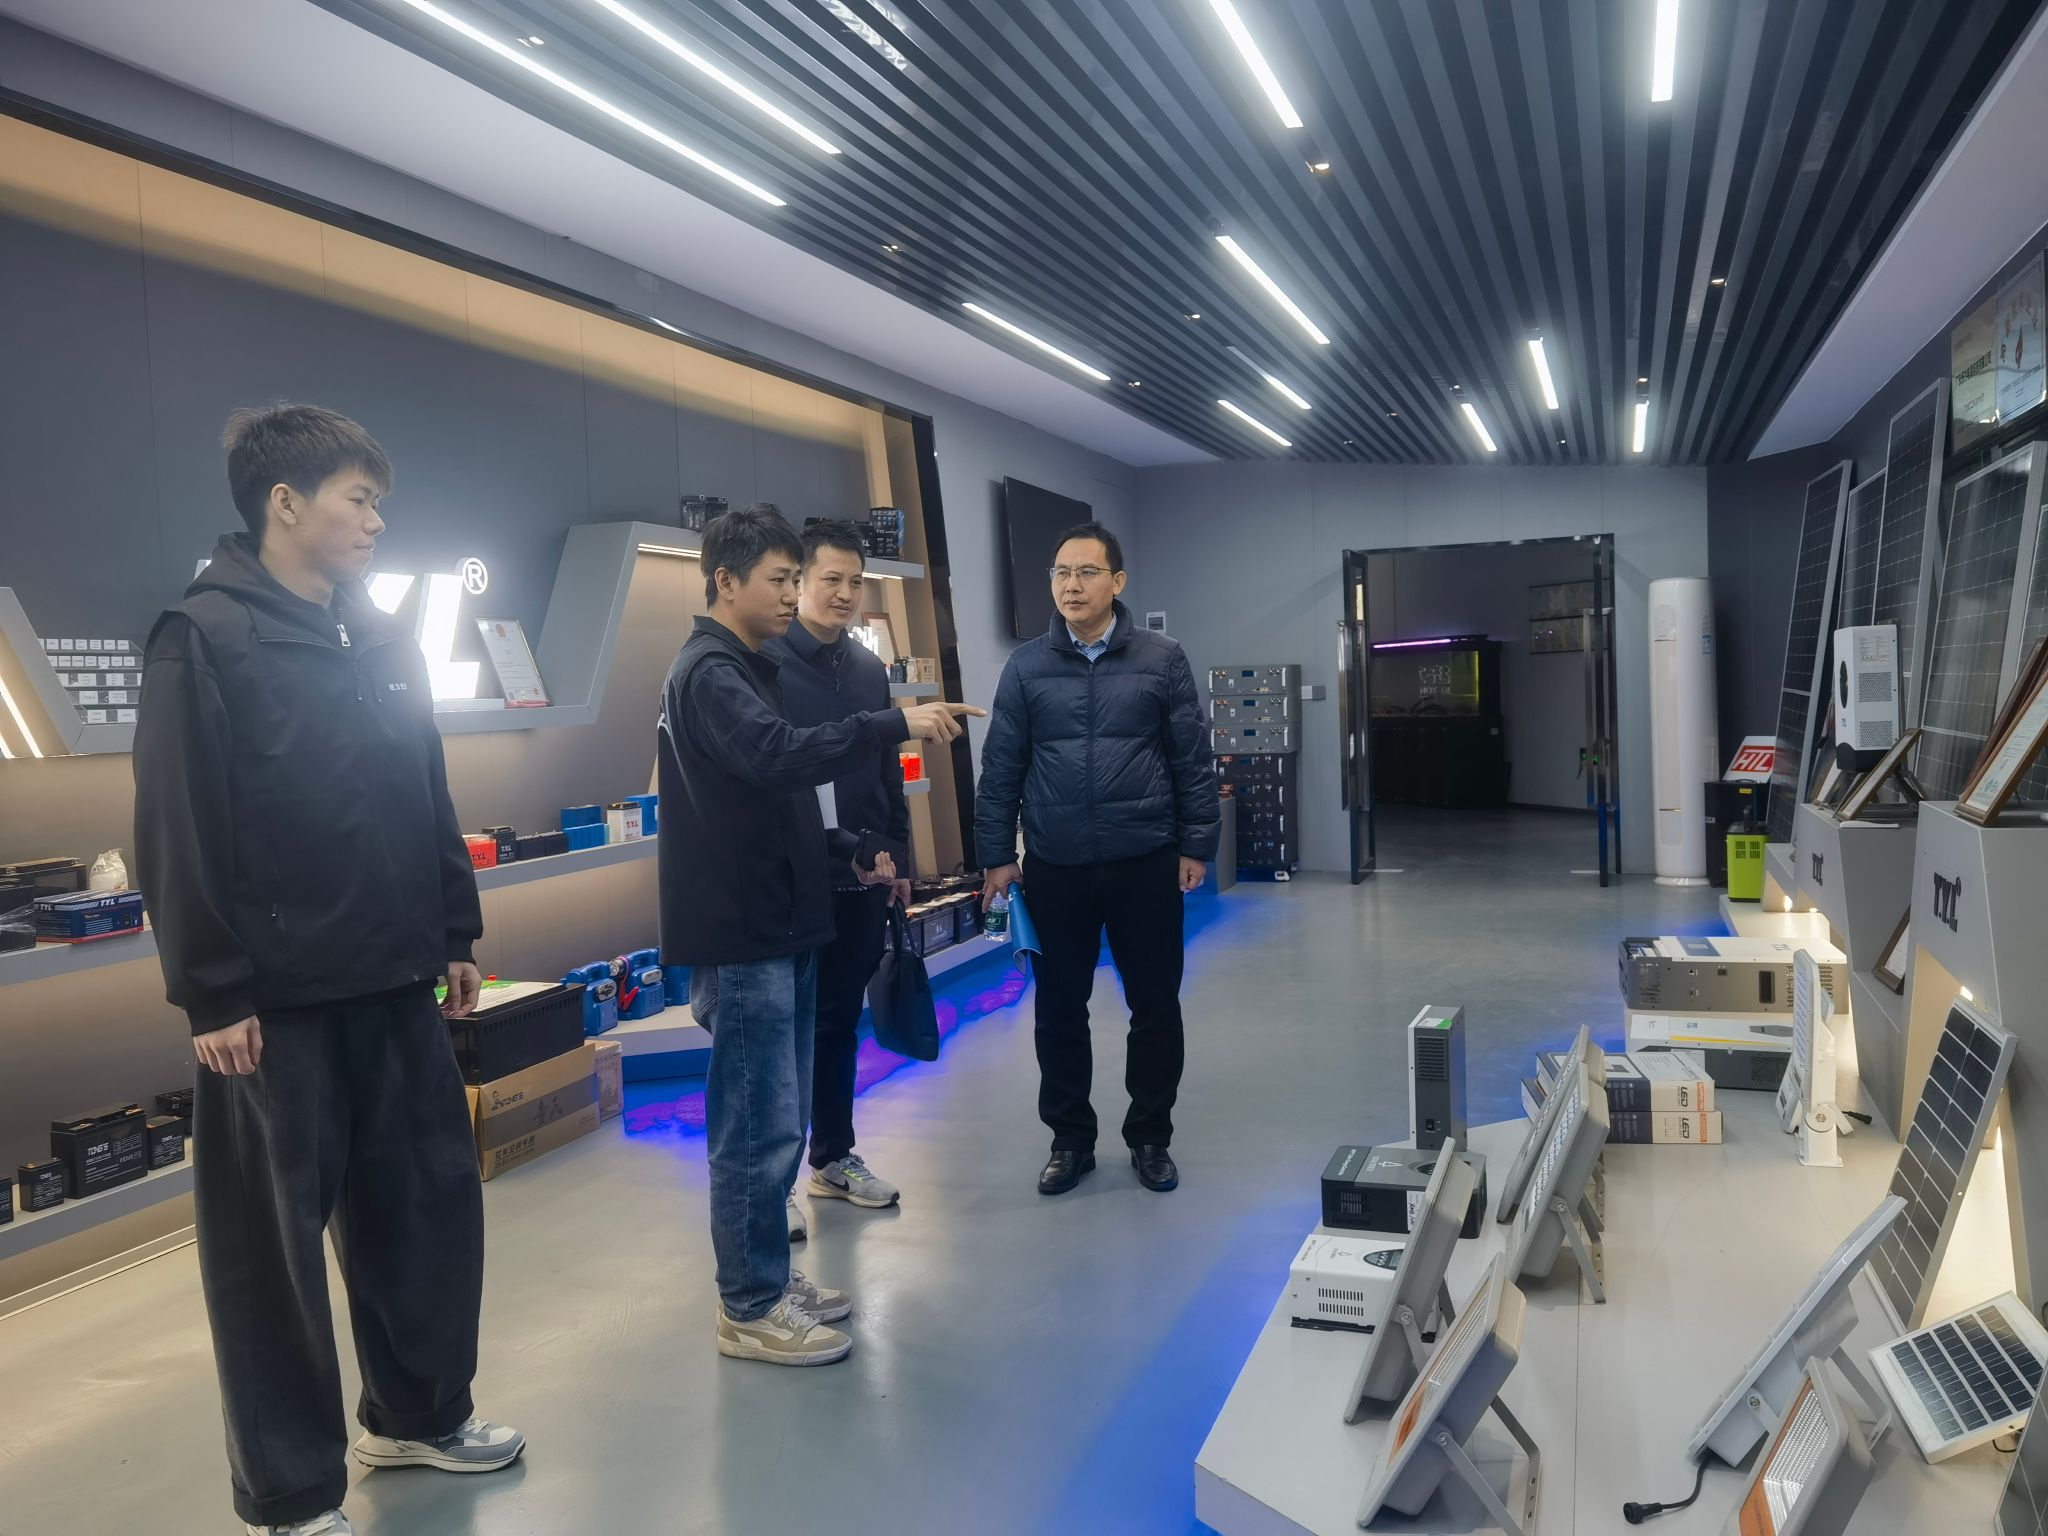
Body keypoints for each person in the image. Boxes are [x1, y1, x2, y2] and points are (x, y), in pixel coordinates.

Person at [132, 404, 522, 1536]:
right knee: (271, 1263)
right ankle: (291, 1495)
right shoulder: (202, 636)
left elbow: (424, 787)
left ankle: (417, 1415)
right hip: (274, 1007)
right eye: (359, 499)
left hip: (396, 979)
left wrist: (453, 930)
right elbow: (175, 823)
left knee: (427, 1212)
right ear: (284, 502)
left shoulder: (381, 635)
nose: (375, 520)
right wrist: (211, 988)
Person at [656, 505, 980, 1367]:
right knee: (753, 1129)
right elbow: (780, 757)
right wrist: (892, 724)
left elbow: (782, 799)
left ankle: (766, 1279)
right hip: (747, 931)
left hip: (785, 918)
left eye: (804, 579)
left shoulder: (748, 667)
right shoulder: (711, 673)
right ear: (725, 580)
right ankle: (748, 1306)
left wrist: (851, 851)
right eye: (784, 580)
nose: (797, 594)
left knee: (778, 1122)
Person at [976, 521, 1219, 1198]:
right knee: (1058, 1010)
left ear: (1117, 581)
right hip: (1056, 865)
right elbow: (1002, 767)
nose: (1071, 585)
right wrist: (996, 855)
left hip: (1145, 860)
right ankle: (1070, 1141)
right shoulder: (1026, 666)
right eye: (1061, 572)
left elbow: (1191, 757)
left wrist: (1196, 844)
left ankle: (1150, 1137)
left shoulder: (1162, 658)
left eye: (1086, 572)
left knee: (1155, 1007)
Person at [762, 520, 914, 1231]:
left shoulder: (867, 669)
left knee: (839, 1022)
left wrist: (901, 860)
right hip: (792, 876)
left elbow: (888, 773)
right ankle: (775, 1183)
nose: (846, 593)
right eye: (831, 579)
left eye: (856, 581)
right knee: (783, 1029)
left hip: (864, 875)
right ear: (799, 581)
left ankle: (832, 1157)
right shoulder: (763, 663)